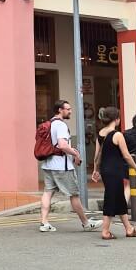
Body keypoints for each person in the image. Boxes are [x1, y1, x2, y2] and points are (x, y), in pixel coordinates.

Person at [39, 100, 102, 233]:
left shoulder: (49, 124)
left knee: (47, 192)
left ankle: (44, 222)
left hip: (48, 164)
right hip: (62, 166)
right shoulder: (61, 125)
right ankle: (86, 223)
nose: (70, 111)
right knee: (74, 194)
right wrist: (75, 154)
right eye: (68, 109)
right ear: (60, 110)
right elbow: (62, 145)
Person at [92, 106, 136, 239]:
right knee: (111, 198)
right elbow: (126, 156)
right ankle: (105, 231)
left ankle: (129, 229)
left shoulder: (100, 134)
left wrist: (95, 170)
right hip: (115, 171)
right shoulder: (117, 135)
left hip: (105, 170)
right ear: (116, 119)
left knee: (119, 198)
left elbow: (97, 155)